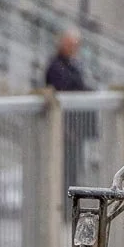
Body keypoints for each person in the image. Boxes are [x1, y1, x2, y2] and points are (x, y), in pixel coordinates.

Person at [45, 30, 95, 203]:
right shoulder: (57, 67)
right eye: (72, 45)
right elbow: (64, 91)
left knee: (72, 169)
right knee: (65, 170)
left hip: (75, 127)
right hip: (66, 128)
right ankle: (64, 205)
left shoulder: (71, 66)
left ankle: (68, 205)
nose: (75, 49)